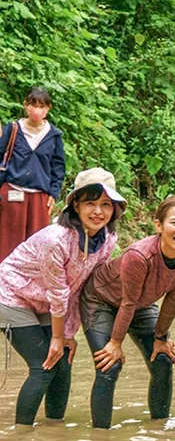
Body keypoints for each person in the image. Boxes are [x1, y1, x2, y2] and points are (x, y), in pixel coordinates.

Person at [0, 168, 123, 425]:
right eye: (90, 203)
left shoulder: (108, 238)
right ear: (75, 205)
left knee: (63, 361)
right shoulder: (55, 239)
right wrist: (57, 337)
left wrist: (68, 335)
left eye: (106, 205)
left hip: (44, 299)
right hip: (10, 293)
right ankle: (22, 434)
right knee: (44, 365)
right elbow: (59, 291)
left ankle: (55, 430)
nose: (98, 211)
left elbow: (83, 289)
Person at [80, 195, 175, 429]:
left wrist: (160, 338)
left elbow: (174, 299)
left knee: (162, 359)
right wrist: (115, 342)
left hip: (140, 304)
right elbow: (127, 302)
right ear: (158, 225)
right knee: (109, 364)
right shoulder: (139, 255)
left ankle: (159, 429)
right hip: (100, 299)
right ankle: (100, 438)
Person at [0, 87, 66, 262]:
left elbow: (58, 167)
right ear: (25, 106)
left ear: (48, 108)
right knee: (7, 243)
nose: (37, 110)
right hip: (12, 192)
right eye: (33, 105)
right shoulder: (13, 129)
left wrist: (53, 193)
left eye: (42, 106)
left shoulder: (53, 136)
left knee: (36, 244)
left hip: (39, 197)